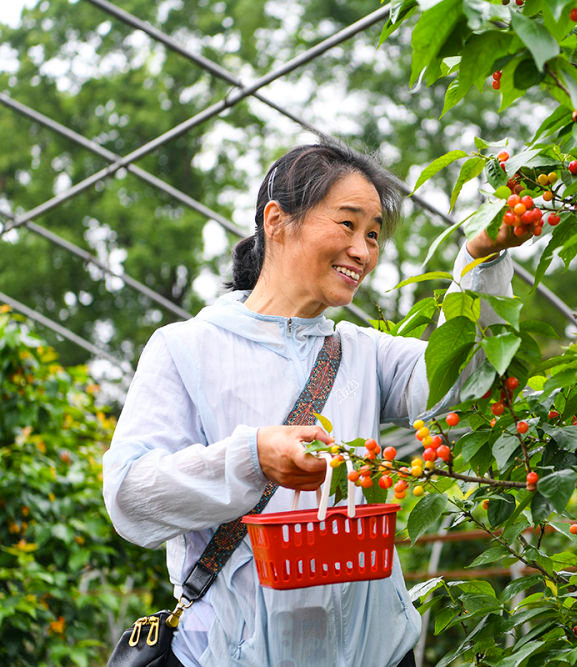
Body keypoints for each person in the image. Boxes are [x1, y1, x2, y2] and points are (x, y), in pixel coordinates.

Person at [103, 143, 528, 666]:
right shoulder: (186, 348)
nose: (363, 251)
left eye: (372, 234)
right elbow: (128, 495)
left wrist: (482, 258)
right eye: (347, 225)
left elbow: (464, 380)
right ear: (278, 221)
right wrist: (252, 457)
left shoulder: (361, 352)